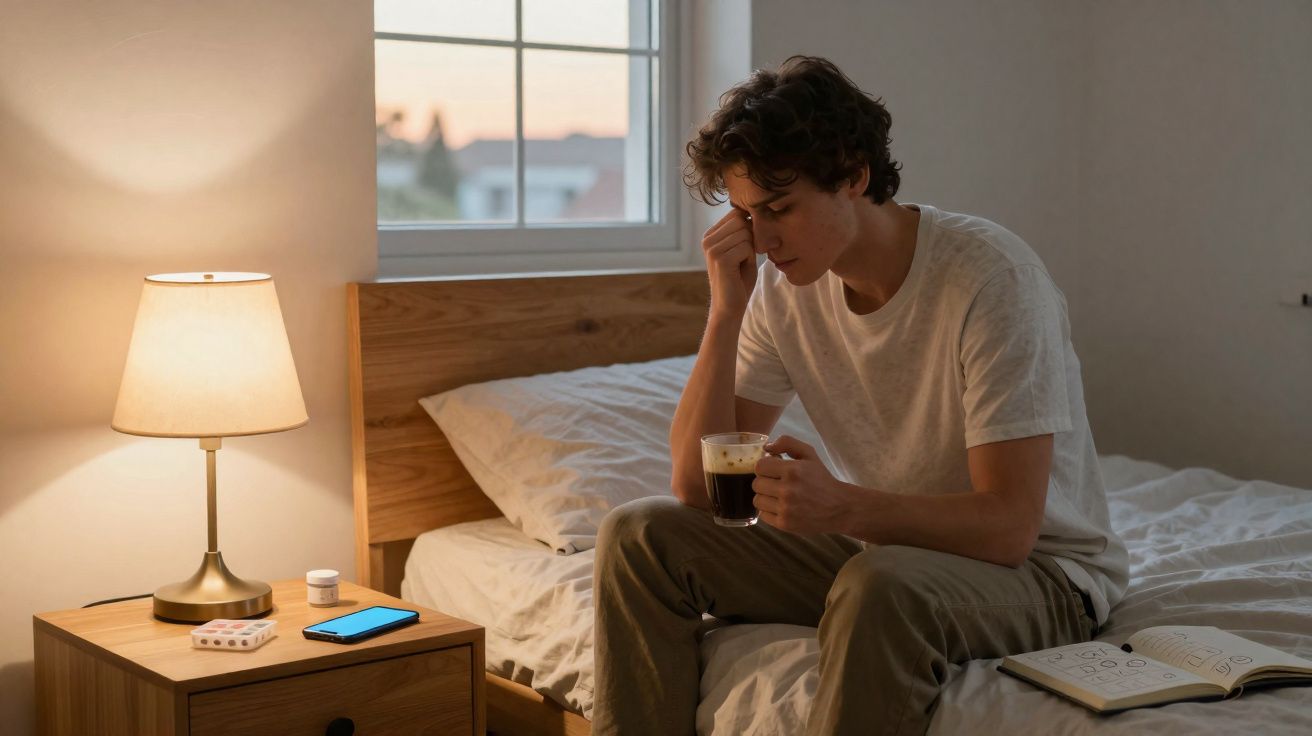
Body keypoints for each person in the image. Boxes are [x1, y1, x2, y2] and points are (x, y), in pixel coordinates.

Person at [591, 55, 1128, 735]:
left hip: (1040, 577)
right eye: (747, 214)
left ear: (853, 175)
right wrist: (724, 313)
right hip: (890, 558)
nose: (763, 238)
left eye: (780, 209)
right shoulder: (779, 292)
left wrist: (843, 504)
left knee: (877, 589)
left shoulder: (993, 281)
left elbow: (1010, 527)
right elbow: (696, 488)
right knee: (640, 536)